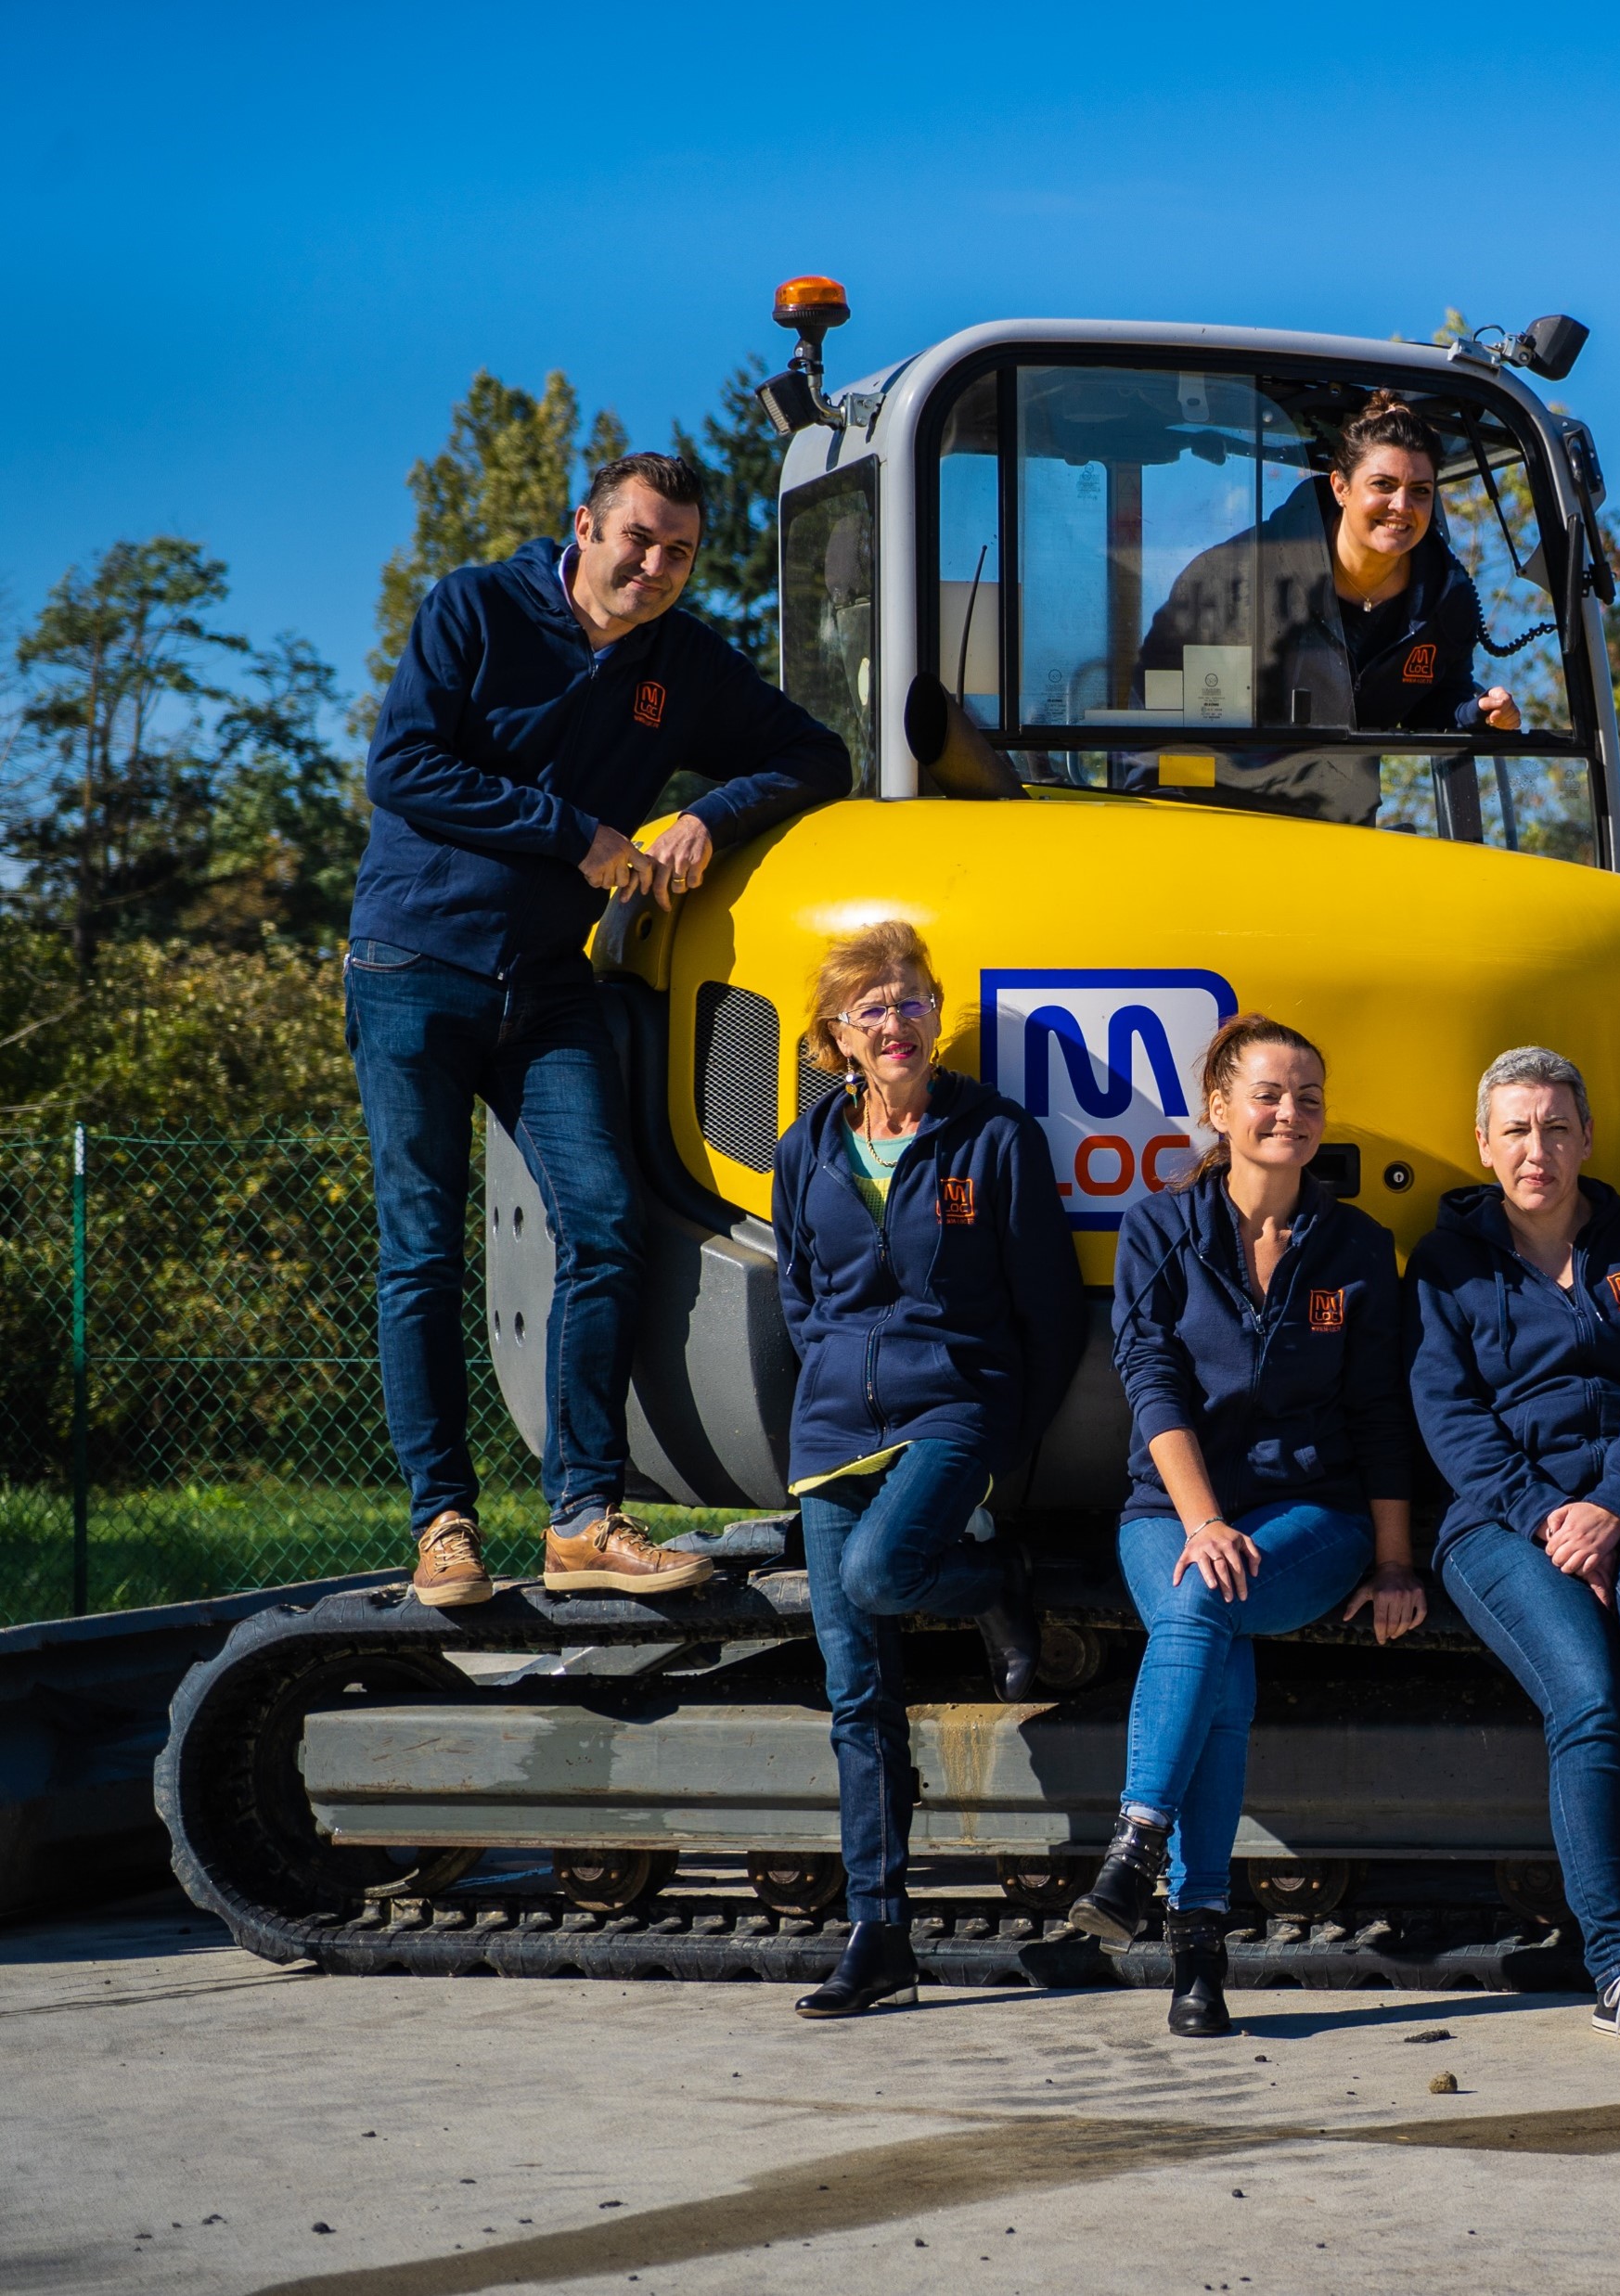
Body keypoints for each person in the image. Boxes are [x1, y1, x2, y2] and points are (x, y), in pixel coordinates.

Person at [354, 450, 850, 1610]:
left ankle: (581, 1518)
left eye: (679, 551)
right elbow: (405, 767)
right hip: (413, 964)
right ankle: (443, 1523)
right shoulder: (474, 606)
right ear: (585, 525)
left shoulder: (678, 663)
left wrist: (705, 816)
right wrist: (577, 834)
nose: (656, 566)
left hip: (550, 982)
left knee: (608, 1221)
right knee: (420, 1252)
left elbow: (812, 754)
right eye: (638, 538)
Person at [1069, 1016, 1426, 2037]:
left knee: (1203, 1607)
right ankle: (1196, 1949)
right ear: (1217, 1112)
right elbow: (1151, 1381)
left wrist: (1396, 1559)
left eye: (1308, 1097)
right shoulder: (1158, 1228)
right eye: (1267, 1095)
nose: (1290, 1113)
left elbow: (1376, 1415)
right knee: (1203, 1608)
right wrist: (1206, 1521)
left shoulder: (1355, 1248)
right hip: (1171, 1508)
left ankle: (1140, 1852)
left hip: (1315, 1517)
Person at [774, 922, 1087, 2018]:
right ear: (837, 1035)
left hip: (953, 1412)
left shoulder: (993, 1136)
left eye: (912, 1001)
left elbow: (1047, 1309)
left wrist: (1007, 1443)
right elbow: (800, 1293)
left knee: (875, 1580)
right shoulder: (804, 1145)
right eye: (873, 1007)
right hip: (827, 1438)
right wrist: (827, 1368)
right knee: (857, 1699)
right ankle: (879, 1930)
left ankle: (996, 1580)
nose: (897, 1022)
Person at [1411, 1047, 1620, 2047]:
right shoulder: (1447, 1263)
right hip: (1501, 1518)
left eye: (1554, 1127)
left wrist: (1612, 1506)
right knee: (1586, 1698)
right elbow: (1449, 1416)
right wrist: (1550, 1513)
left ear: (1587, 1138)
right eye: (1515, 1129)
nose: (1535, 1148)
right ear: (1483, 1144)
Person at [1138, 390, 1526, 738]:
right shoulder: (1228, 581)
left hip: (1341, 818)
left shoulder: (1446, 600)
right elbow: (1154, 721)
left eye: (1420, 491)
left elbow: (1436, 707)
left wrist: (1478, 713)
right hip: (1217, 811)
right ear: (1340, 487)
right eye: (1383, 485)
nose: (1402, 507)